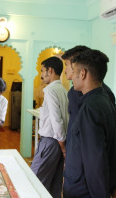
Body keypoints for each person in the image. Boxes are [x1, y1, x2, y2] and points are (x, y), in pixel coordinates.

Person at [63, 49, 116, 198]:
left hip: (83, 189)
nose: (72, 77)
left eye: (74, 71)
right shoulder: (101, 100)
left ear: (82, 73)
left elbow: (95, 159)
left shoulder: (90, 108)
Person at [30, 56, 69, 198]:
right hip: (58, 142)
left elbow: (56, 120)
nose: (41, 75)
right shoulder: (64, 90)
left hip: (52, 142)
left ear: (50, 71)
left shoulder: (50, 90)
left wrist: (62, 146)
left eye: (42, 71)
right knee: (54, 185)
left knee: (33, 181)